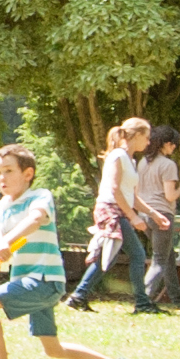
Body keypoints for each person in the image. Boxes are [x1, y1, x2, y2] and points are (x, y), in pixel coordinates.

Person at [0, 142, 128, 359]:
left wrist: (6, 242)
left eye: (8, 171)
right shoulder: (0, 209)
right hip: (26, 281)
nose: (2, 178)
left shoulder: (39, 197)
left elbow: (36, 219)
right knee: (53, 349)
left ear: (27, 174)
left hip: (44, 280)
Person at [64, 118, 144, 311]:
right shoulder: (118, 155)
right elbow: (115, 190)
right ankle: (143, 302)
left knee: (109, 256)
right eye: (147, 137)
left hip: (119, 210)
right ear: (137, 135)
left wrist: (154, 214)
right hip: (110, 210)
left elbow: (132, 197)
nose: (149, 142)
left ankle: (78, 296)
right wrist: (133, 217)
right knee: (137, 254)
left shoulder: (131, 160)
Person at [129, 119, 180, 308]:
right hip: (162, 214)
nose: (174, 148)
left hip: (145, 213)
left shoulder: (142, 163)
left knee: (167, 255)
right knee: (159, 259)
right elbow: (170, 195)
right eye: (173, 144)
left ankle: (177, 296)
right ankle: (143, 298)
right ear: (166, 144)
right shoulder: (168, 165)